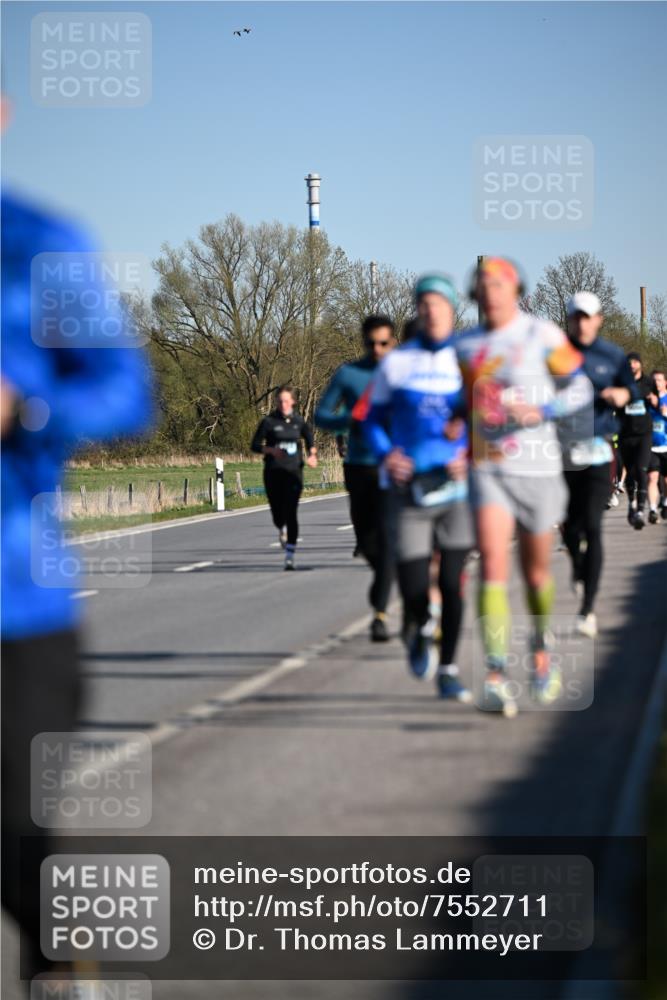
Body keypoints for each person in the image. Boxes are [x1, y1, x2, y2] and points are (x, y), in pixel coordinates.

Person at [1, 185, 153, 987]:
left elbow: (128, 393)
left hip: (16, 597)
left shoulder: (36, 242)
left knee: (16, 820)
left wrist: (25, 409)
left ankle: (60, 963)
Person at [453, 257, 592, 717]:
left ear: (516, 290)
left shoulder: (541, 334)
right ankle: (494, 674)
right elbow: (454, 405)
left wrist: (541, 411)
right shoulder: (466, 344)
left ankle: (540, 648)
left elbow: (580, 388)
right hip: (488, 469)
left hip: (538, 468)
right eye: (483, 284)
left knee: (535, 575)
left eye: (500, 283)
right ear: (475, 293)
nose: (491, 291)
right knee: (492, 563)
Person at [363, 274, 474, 701]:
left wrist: (471, 453)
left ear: (451, 309)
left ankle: (448, 668)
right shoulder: (398, 362)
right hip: (408, 488)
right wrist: (386, 454)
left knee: (451, 580)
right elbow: (371, 419)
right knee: (413, 586)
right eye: (423, 305)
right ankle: (417, 626)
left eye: (439, 305)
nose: (431, 312)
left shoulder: (467, 360)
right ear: (417, 311)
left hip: (456, 489)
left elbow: (487, 414)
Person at [315, 316, 396, 641]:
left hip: (394, 466)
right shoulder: (349, 374)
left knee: (389, 543)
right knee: (367, 543)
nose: (377, 350)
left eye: (384, 343)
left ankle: (379, 614)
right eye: (371, 343)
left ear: (393, 343)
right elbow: (321, 414)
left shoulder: (402, 374)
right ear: (363, 342)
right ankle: (386, 576)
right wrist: (351, 419)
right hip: (359, 466)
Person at [559, 292, 636, 637]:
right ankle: (577, 565)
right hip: (560, 452)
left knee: (592, 524)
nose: (582, 323)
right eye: (576, 317)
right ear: (570, 320)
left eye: (588, 317)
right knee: (570, 527)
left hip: (598, 450)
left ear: (599, 319)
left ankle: (587, 608)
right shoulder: (555, 355)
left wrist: (623, 395)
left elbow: (632, 389)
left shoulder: (612, 355)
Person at [251, 387, 317, 570]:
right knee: (278, 514)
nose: (283, 404)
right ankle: (281, 528)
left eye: (286, 401)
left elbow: (309, 437)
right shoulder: (269, 422)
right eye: (280, 401)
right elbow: (255, 445)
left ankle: (290, 554)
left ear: (293, 402)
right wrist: (270, 450)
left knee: (292, 512)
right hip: (273, 471)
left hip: (294, 472)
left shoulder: (298, 421)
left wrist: (312, 454)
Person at [618, 351, 654, 530]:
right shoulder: (620, 382)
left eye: (635, 362)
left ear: (640, 364)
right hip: (625, 434)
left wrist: (655, 401)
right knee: (630, 473)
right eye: (629, 362)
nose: (632, 365)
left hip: (644, 434)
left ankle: (640, 510)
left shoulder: (649, 382)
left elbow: (659, 401)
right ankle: (631, 504)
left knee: (641, 469)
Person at [647, 369, 667, 522]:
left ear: (665, 382)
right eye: (654, 380)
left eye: (659, 380)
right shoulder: (646, 400)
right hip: (651, 446)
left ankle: (665, 503)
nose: (656, 383)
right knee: (652, 478)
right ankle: (653, 510)